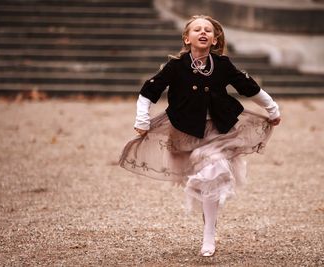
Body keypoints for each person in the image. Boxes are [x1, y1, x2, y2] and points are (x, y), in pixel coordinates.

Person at [119, 15, 281, 257]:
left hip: (219, 130)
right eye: (197, 29)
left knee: (212, 171)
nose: (203, 32)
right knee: (208, 178)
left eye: (208, 30)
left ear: (214, 39)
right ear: (187, 38)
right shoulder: (176, 66)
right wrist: (141, 118)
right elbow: (149, 90)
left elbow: (248, 87)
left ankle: (208, 234)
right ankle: (211, 214)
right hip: (185, 131)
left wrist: (272, 108)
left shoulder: (222, 64)